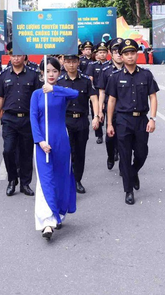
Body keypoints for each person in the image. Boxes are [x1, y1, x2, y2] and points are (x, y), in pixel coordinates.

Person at [30, 57, 79, 240]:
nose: (51, 74)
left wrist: (55, 89)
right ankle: (46, 222)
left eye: (55, 71)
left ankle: (58, 213)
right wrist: (40, 141)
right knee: (45, 180)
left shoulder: (61, 91)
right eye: (47, 71)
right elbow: (34, 119)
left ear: (60, 73)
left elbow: (76, 94)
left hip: (61, 140)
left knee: (60, 177)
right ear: (42, 73)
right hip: (43, 142)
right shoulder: (36, 94)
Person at [106, 39, 159, 205]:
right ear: (121, 56)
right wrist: (109, 124)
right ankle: (128, 190)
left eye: (132, 53)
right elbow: (111, 101)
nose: (130, 57)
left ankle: (134, 171)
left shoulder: (146, 74)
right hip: (123, 120)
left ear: (137, 54)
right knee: (125, 155)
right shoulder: (115, 77)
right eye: (126, 54)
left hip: (141, 120)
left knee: (142, 153)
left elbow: (153, 96)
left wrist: (153, 118)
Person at [0, 42, 42, 197]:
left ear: (24, 56)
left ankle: (25, 183)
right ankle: (12, 180)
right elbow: (0, 97)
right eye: (13, 55)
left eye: (18, 55)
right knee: (8, 150)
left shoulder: (33, 75)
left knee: (26, 153)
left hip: (27, 119)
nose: (16, 59)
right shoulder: (4, 76)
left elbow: (38, 99)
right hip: (9, 119)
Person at [57, 54, 99, 194]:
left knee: (80, 152)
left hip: (81, 120)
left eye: (73, 62)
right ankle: (66, 181)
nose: (71, 65)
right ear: (64, 63)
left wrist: (96, 116)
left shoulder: (86, 80)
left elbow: (94, 98)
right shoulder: (60, 81)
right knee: (67, 152)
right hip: (66, 121)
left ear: (78, 63)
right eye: (68, 62)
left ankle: (77, 180)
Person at [97, 38, 125, 170]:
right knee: (110, 137)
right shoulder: (105, 70)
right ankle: (110, 155)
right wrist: (99, 111)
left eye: (120, 51)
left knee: (124, 137)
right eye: (115, 50)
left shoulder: (129, 68)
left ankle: (123, 164)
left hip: (125, 108)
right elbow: (101, 91)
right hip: (110, 108)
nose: (118, 54)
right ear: (110, 52)